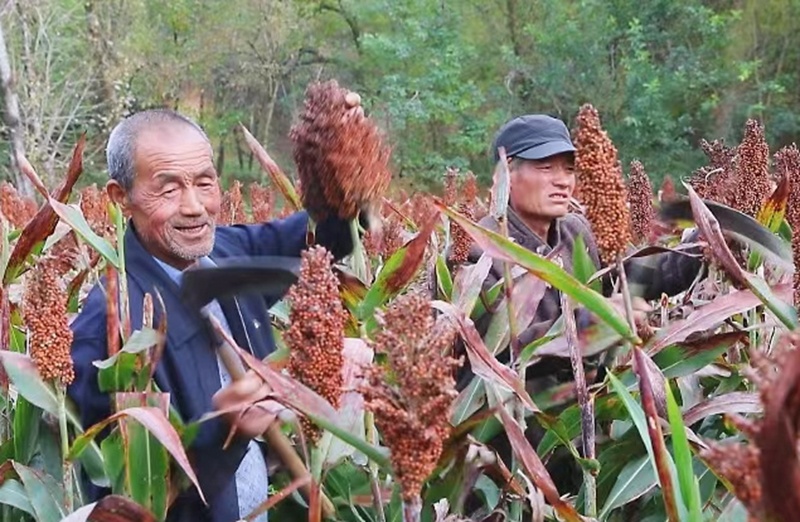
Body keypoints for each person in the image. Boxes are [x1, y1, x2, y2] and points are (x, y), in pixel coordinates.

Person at [68, 107, 362, 521]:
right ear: (121, 198)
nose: (194, 207)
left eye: (205, 183)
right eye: (168, 190)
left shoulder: (227, 254)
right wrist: (221, 435)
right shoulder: (110, 330)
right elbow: (120, 502)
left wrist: (346, 167)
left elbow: (324, 238)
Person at [466, 114, 704, 385]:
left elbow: (634, 276)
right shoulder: (479, 254)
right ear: (506, 173)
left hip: (589, 402)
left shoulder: (575, 231)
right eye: (546, 168)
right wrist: (589, 325)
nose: (563, 181)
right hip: (522, 416)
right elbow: (495, 352)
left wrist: (701, 246)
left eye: (569, 169)